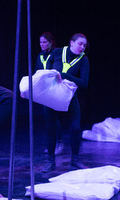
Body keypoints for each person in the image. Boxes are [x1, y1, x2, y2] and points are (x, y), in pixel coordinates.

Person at [41, 33, 90, 173]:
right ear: (71, 43)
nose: (82, 47)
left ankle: (75, 161)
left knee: (75, 128)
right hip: (51, 96)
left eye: (84, 45)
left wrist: (65, 76)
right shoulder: (57, 52)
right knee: (51, 129)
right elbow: (45, 71)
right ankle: (50, 161)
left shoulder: (83, 60)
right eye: (80, 44)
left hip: (69, 97)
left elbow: (84, 83)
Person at [34, 32, 64, 155]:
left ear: (51, 42)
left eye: (45, 42)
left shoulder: (56, 53)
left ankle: (59, 142)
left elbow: (57, 70)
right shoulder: (40, 55)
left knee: (54, 117)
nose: (42, 44)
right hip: (44, 89)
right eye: (41, 42)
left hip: (55, 87)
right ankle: (52, 145)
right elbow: (37, 71)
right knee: (48, 118)